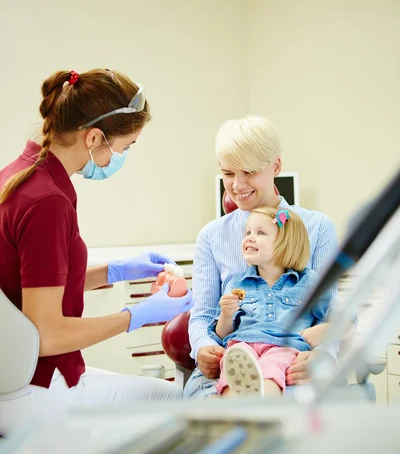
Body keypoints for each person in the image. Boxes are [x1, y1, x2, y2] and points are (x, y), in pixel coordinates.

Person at [0, 68, 192, 435]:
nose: (121, 156)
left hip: (14, 380)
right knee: (175, 402)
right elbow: (47, 333)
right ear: (94, 137)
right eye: (125, 147)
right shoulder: (47, 203)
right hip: (37, 390)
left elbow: (33, 284)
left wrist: (116, 271)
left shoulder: (17, 176)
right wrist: (136, 316)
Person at [185, 115, 338, 399]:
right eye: (228, 173)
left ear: (276, 166)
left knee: (293, 416)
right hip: (231, 359)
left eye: (249, 172)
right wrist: (203, 348)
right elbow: (203, 314)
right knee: (213, 411)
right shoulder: (211, 235)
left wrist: (323, 357)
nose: (237, 185)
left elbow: (332, 315)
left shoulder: (317, 227)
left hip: (294, 359)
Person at [210, 206, 331, 397]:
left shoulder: (308, 281)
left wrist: (319, 333)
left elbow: (344, 320)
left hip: (284, 345)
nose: (249, 237)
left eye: (261, 233)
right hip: (243, 343)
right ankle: (229, 411)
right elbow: (223, 334)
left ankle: (264, 409)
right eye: (247, 232)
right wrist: (226, 314)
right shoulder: (237, 283)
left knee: (272, 367)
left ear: (286, 243)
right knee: (231, 364)